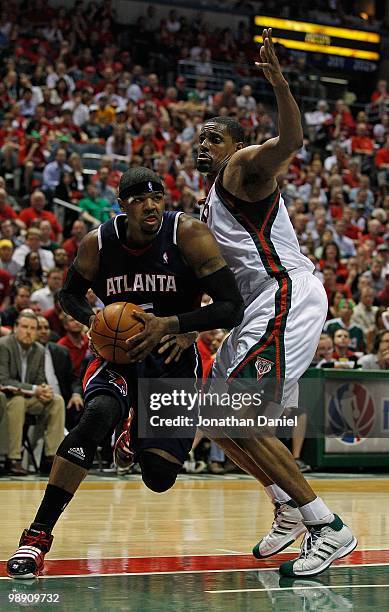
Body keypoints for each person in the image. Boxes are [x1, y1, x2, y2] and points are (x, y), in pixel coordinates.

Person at [7, 166, 244, 578]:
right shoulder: (97, 242)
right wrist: (92, 321)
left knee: (159, 476)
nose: (150, 206)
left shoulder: (188, 235)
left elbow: (231, 306)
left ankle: (134, 428)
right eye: (139, 200)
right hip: (115, 353)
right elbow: (69, 294)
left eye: (157, 198)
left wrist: (174, 326)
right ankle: (36, 538)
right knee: (95, 417)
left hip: (170, 356)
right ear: (123, 206)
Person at [194, 29, 356, 577]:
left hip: (286, 293)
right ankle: (287, 505)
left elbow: (289, 142)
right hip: (260, 305)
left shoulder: (243, 168)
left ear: (235, 144)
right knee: (217, 419)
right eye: (201, 137)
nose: (204, 144)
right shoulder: (211, 197)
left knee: (241, 413)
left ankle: (328, 526)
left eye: (214, 137)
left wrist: (281, 85)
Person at [0, 311, 65, 476]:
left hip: (29, 398)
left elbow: (40, 379)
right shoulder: (4, 345)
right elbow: (4, 381)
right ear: (15, 328)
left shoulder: (39, 349)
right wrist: (36, 389)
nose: (28, 331)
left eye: (32, 328)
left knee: (56, 401)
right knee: (18, 401)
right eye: (24, 327)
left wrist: (45, 391)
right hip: (7, 398)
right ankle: (13, 458)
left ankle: (51, 458)